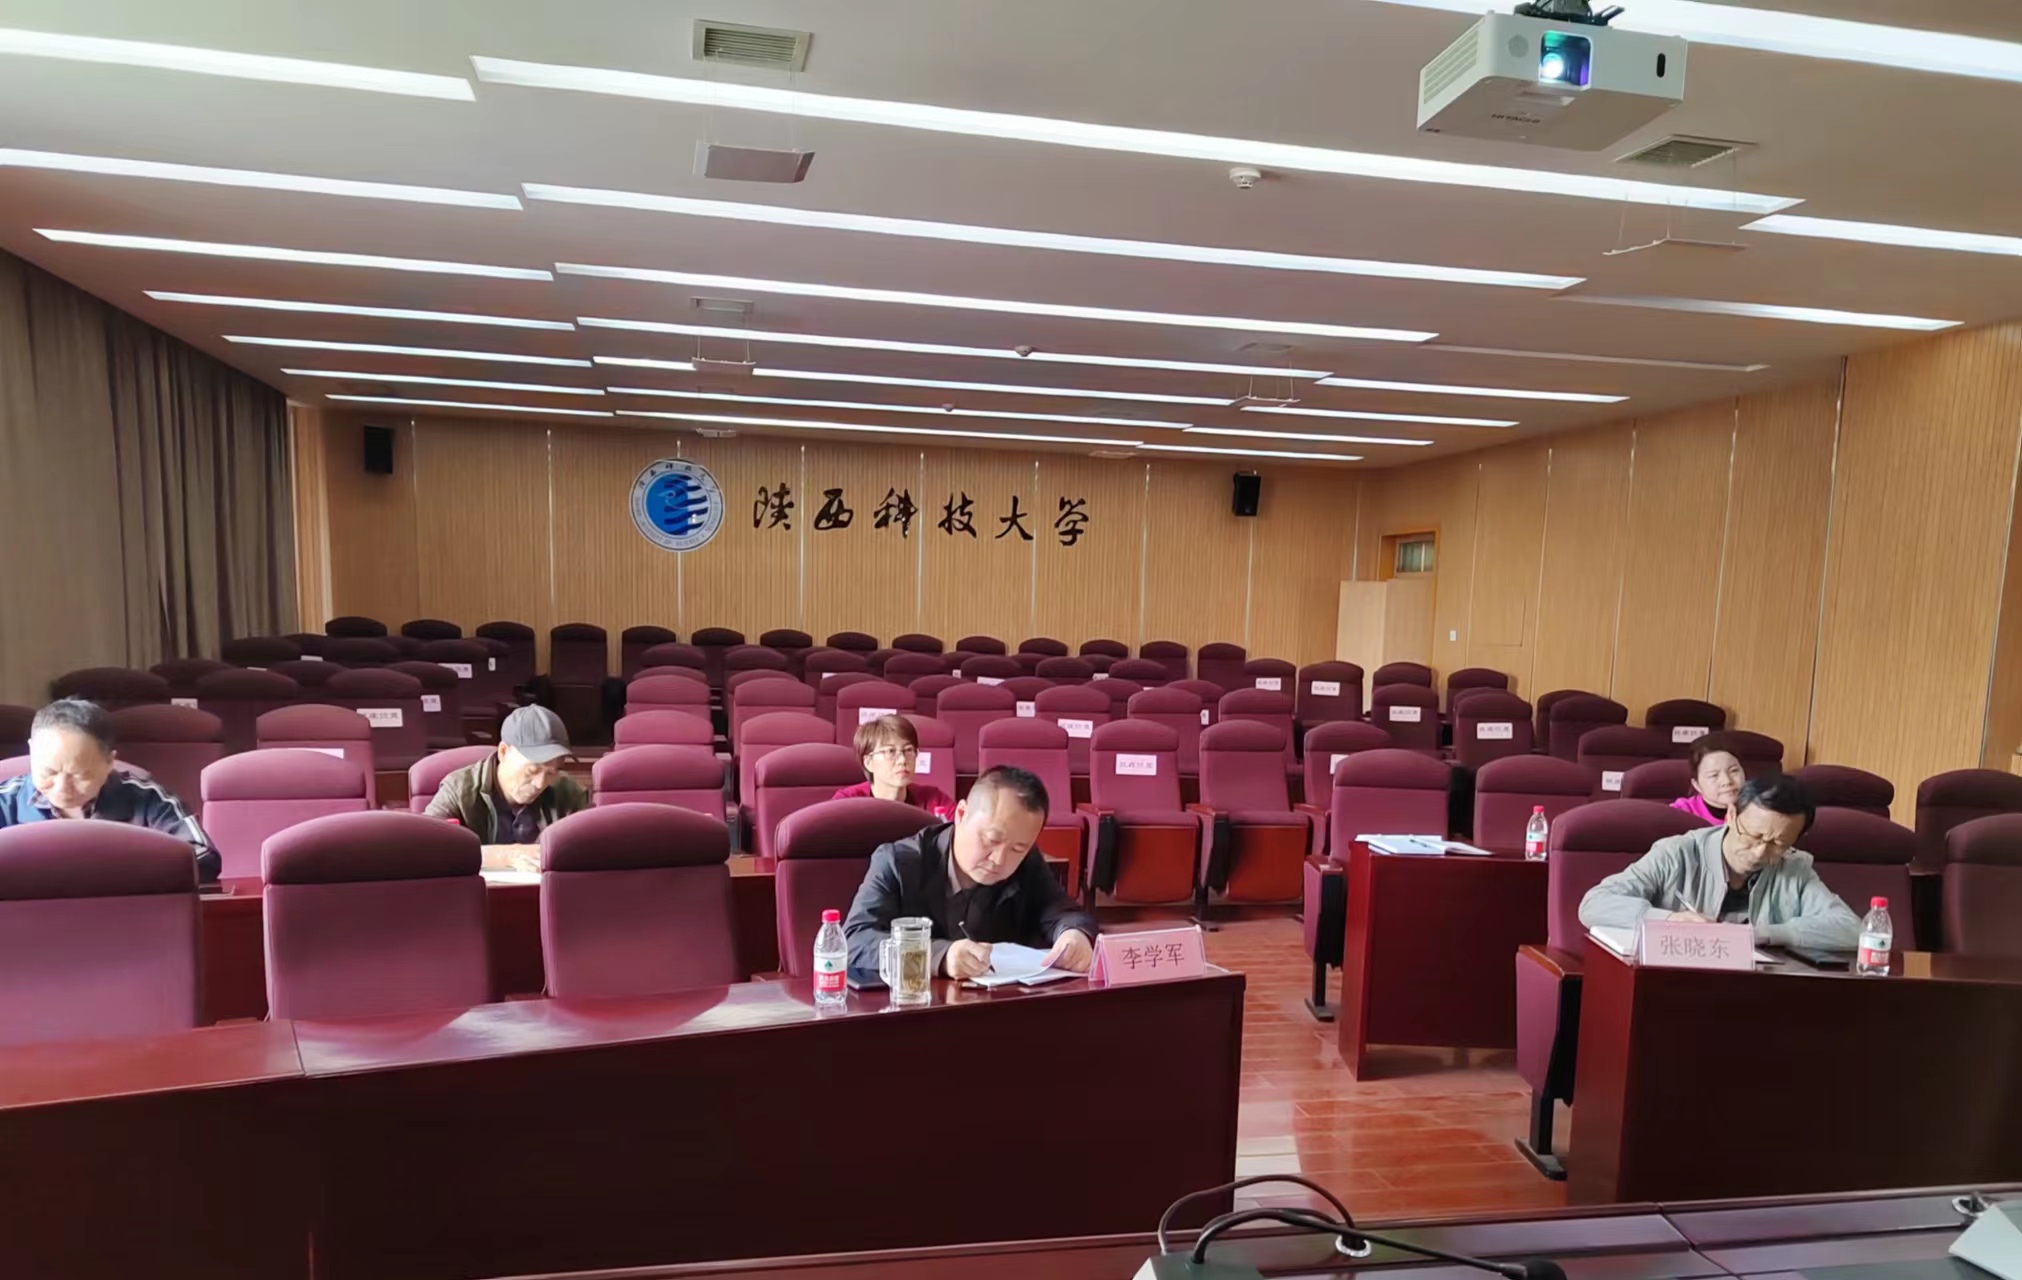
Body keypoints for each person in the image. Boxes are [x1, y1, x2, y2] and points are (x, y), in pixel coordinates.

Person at [844, 765, 1097, 979]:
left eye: (1018, 848)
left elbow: (1061, 911)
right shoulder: (898, 861)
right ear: (961, 814)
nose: (999, 859)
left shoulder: (1026, 861)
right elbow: (856, 940)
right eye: (991, 840)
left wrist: (1074, 934)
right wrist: (939, 956)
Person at [1581, 773, 1859, 948]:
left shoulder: (1794, 866)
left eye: (1778, 843)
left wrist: (1761, 934)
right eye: (1753, 835)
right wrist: (1671, 920)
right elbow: (1595, 904)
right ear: (1731, 815)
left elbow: (1851, 928)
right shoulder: (1677, 853)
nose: (1760, 852)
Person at [0, 698, 218, 883]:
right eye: (49, 772)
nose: (62, 788)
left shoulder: (148, 799)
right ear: (31, 750)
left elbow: (202, 856)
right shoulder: (5, 800)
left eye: (79, 775)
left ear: (109, 762)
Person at [425, 705, 588, 843]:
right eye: (532, 771)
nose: (540, 784)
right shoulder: (458, 791)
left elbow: (586, 848)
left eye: (551, 773)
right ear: (503, 752)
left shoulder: (569, 793)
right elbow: (428, 845)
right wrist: (503, 856)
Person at [831, 714, 955, 819]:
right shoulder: (847, 803)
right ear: (868, 762)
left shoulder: (935, 800)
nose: (902, 760)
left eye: (908, 750)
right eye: (890, 751)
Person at [1672, 738, 1746, 826]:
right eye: (1714, 775)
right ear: (1696, 785)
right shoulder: (1681, 812)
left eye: (1733, 771)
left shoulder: (1758, 806)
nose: (1727, 781)